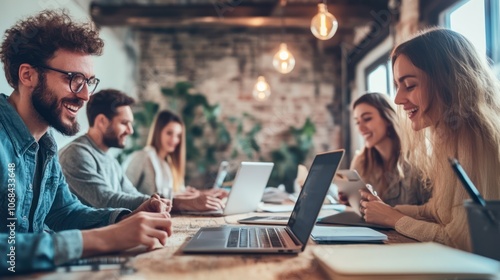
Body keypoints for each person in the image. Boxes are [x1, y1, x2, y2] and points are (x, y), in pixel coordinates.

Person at [0, 10, 172, 273]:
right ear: (28, 76)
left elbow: (65, 212)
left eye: (88, 82)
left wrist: (128, 217)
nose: (85, 96)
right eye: (73, 79)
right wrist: (106, 237)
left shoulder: (45, 146)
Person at [360, 28, 500, 251]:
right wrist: (387, 210)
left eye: (410, 85)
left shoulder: (476, 141)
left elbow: (460, 241)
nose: (397, 99)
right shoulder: (450, 138)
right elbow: (436, 211)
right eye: (398, 86)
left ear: (448, 82)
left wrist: (394, 219)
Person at [59, 89, 154, 210]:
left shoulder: (110, 158)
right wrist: (153, 202)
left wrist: (169, 202)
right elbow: (105, 199)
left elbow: (132, 194)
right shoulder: (75, 154)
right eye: (124, 123)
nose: (130, 130)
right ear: (102, 121)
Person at [124, 110, 227, 211]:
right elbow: (123, 194)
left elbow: (174, 193)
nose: (174, 140)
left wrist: (204, 194)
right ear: (158, 132)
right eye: (169, 133)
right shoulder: (141, 157)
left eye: (178, 135)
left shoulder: (167, 164)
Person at [349, 92, 431, 206]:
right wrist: (351, 201)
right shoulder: (360, 162)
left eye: (367, 119)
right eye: (357, 122)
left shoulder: (419, 162)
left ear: (387, 118)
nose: (361, 128)